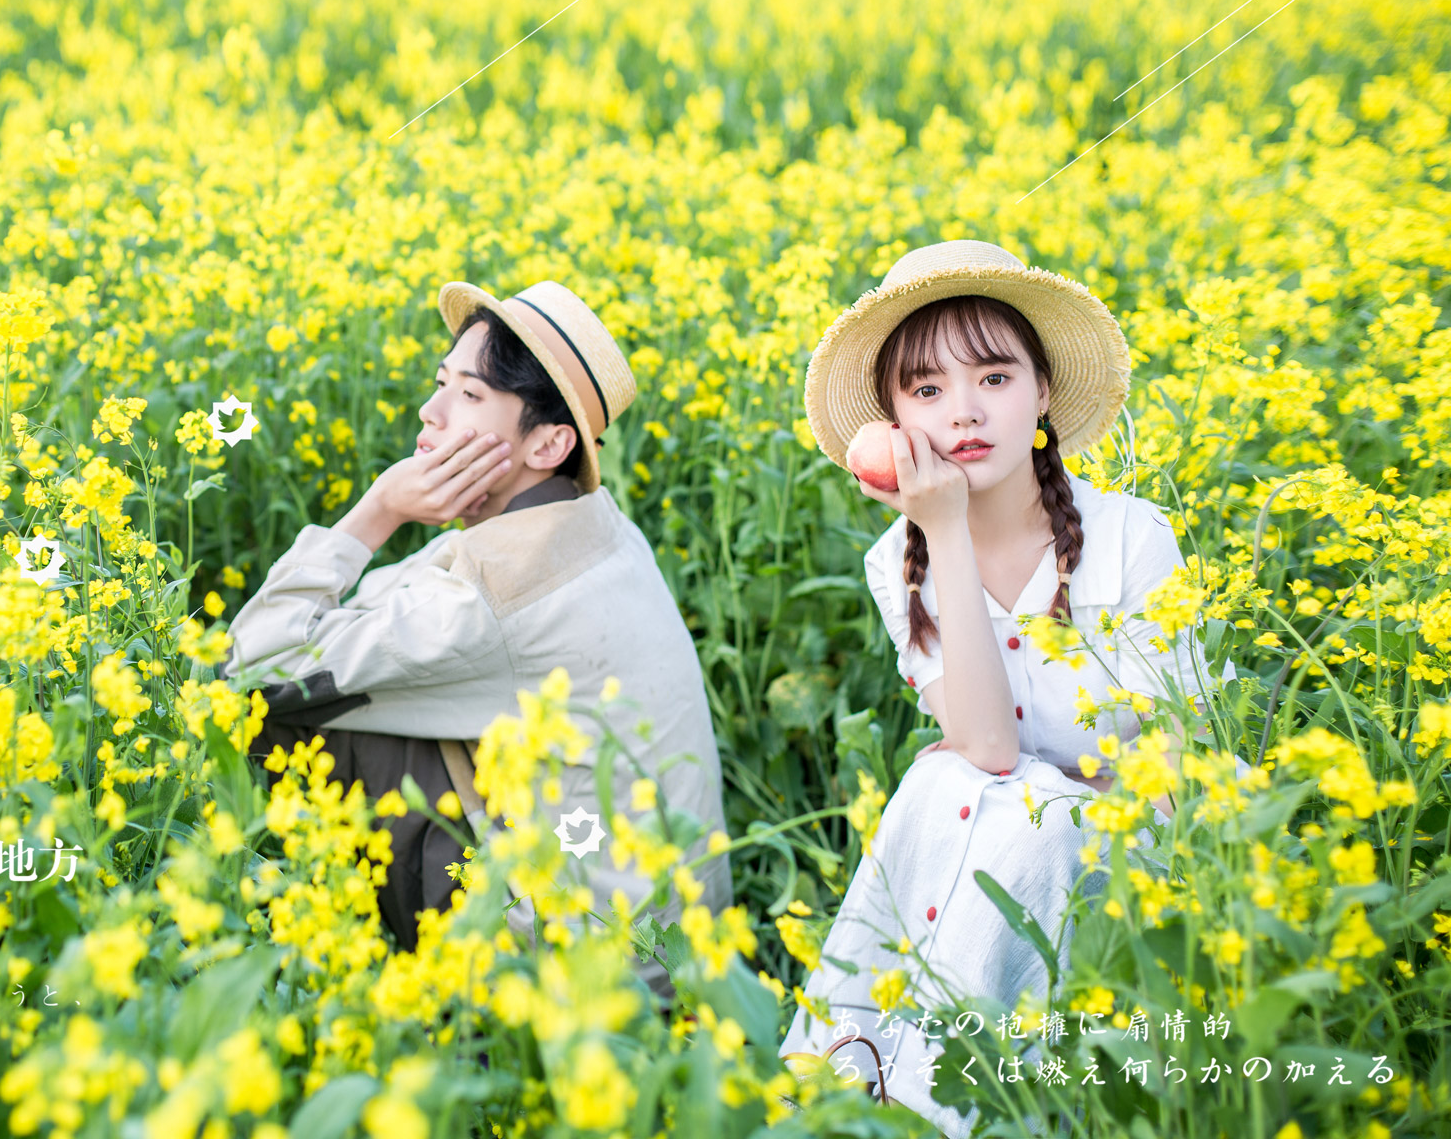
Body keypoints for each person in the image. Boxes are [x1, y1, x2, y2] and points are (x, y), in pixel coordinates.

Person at [781, 240, 1245, 1136]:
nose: (964, 411)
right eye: (926, 390)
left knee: (998, 803)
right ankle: (852, 1089)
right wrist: (944, 533)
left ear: (1041, 395)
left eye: (994, 378)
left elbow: (1176, 765)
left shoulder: (1132, 539)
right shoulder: (898, 562)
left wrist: (1049, 796)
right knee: (952, 783)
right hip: (993, 836)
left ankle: (918, 1101)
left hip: (1130, 858)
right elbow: (988, 750)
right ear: (894, 422)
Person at [220, 278, 732, 1000]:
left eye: (467, 396)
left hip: (589, 982)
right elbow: (379, 615)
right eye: (440, 384)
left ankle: (358, 982)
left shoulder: (494, 595)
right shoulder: (594, 524)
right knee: (356, 693)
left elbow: (253, 668)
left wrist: (377, 510)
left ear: (549, 443)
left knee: (278, 720)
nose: (428, 414)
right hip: (682, 953)